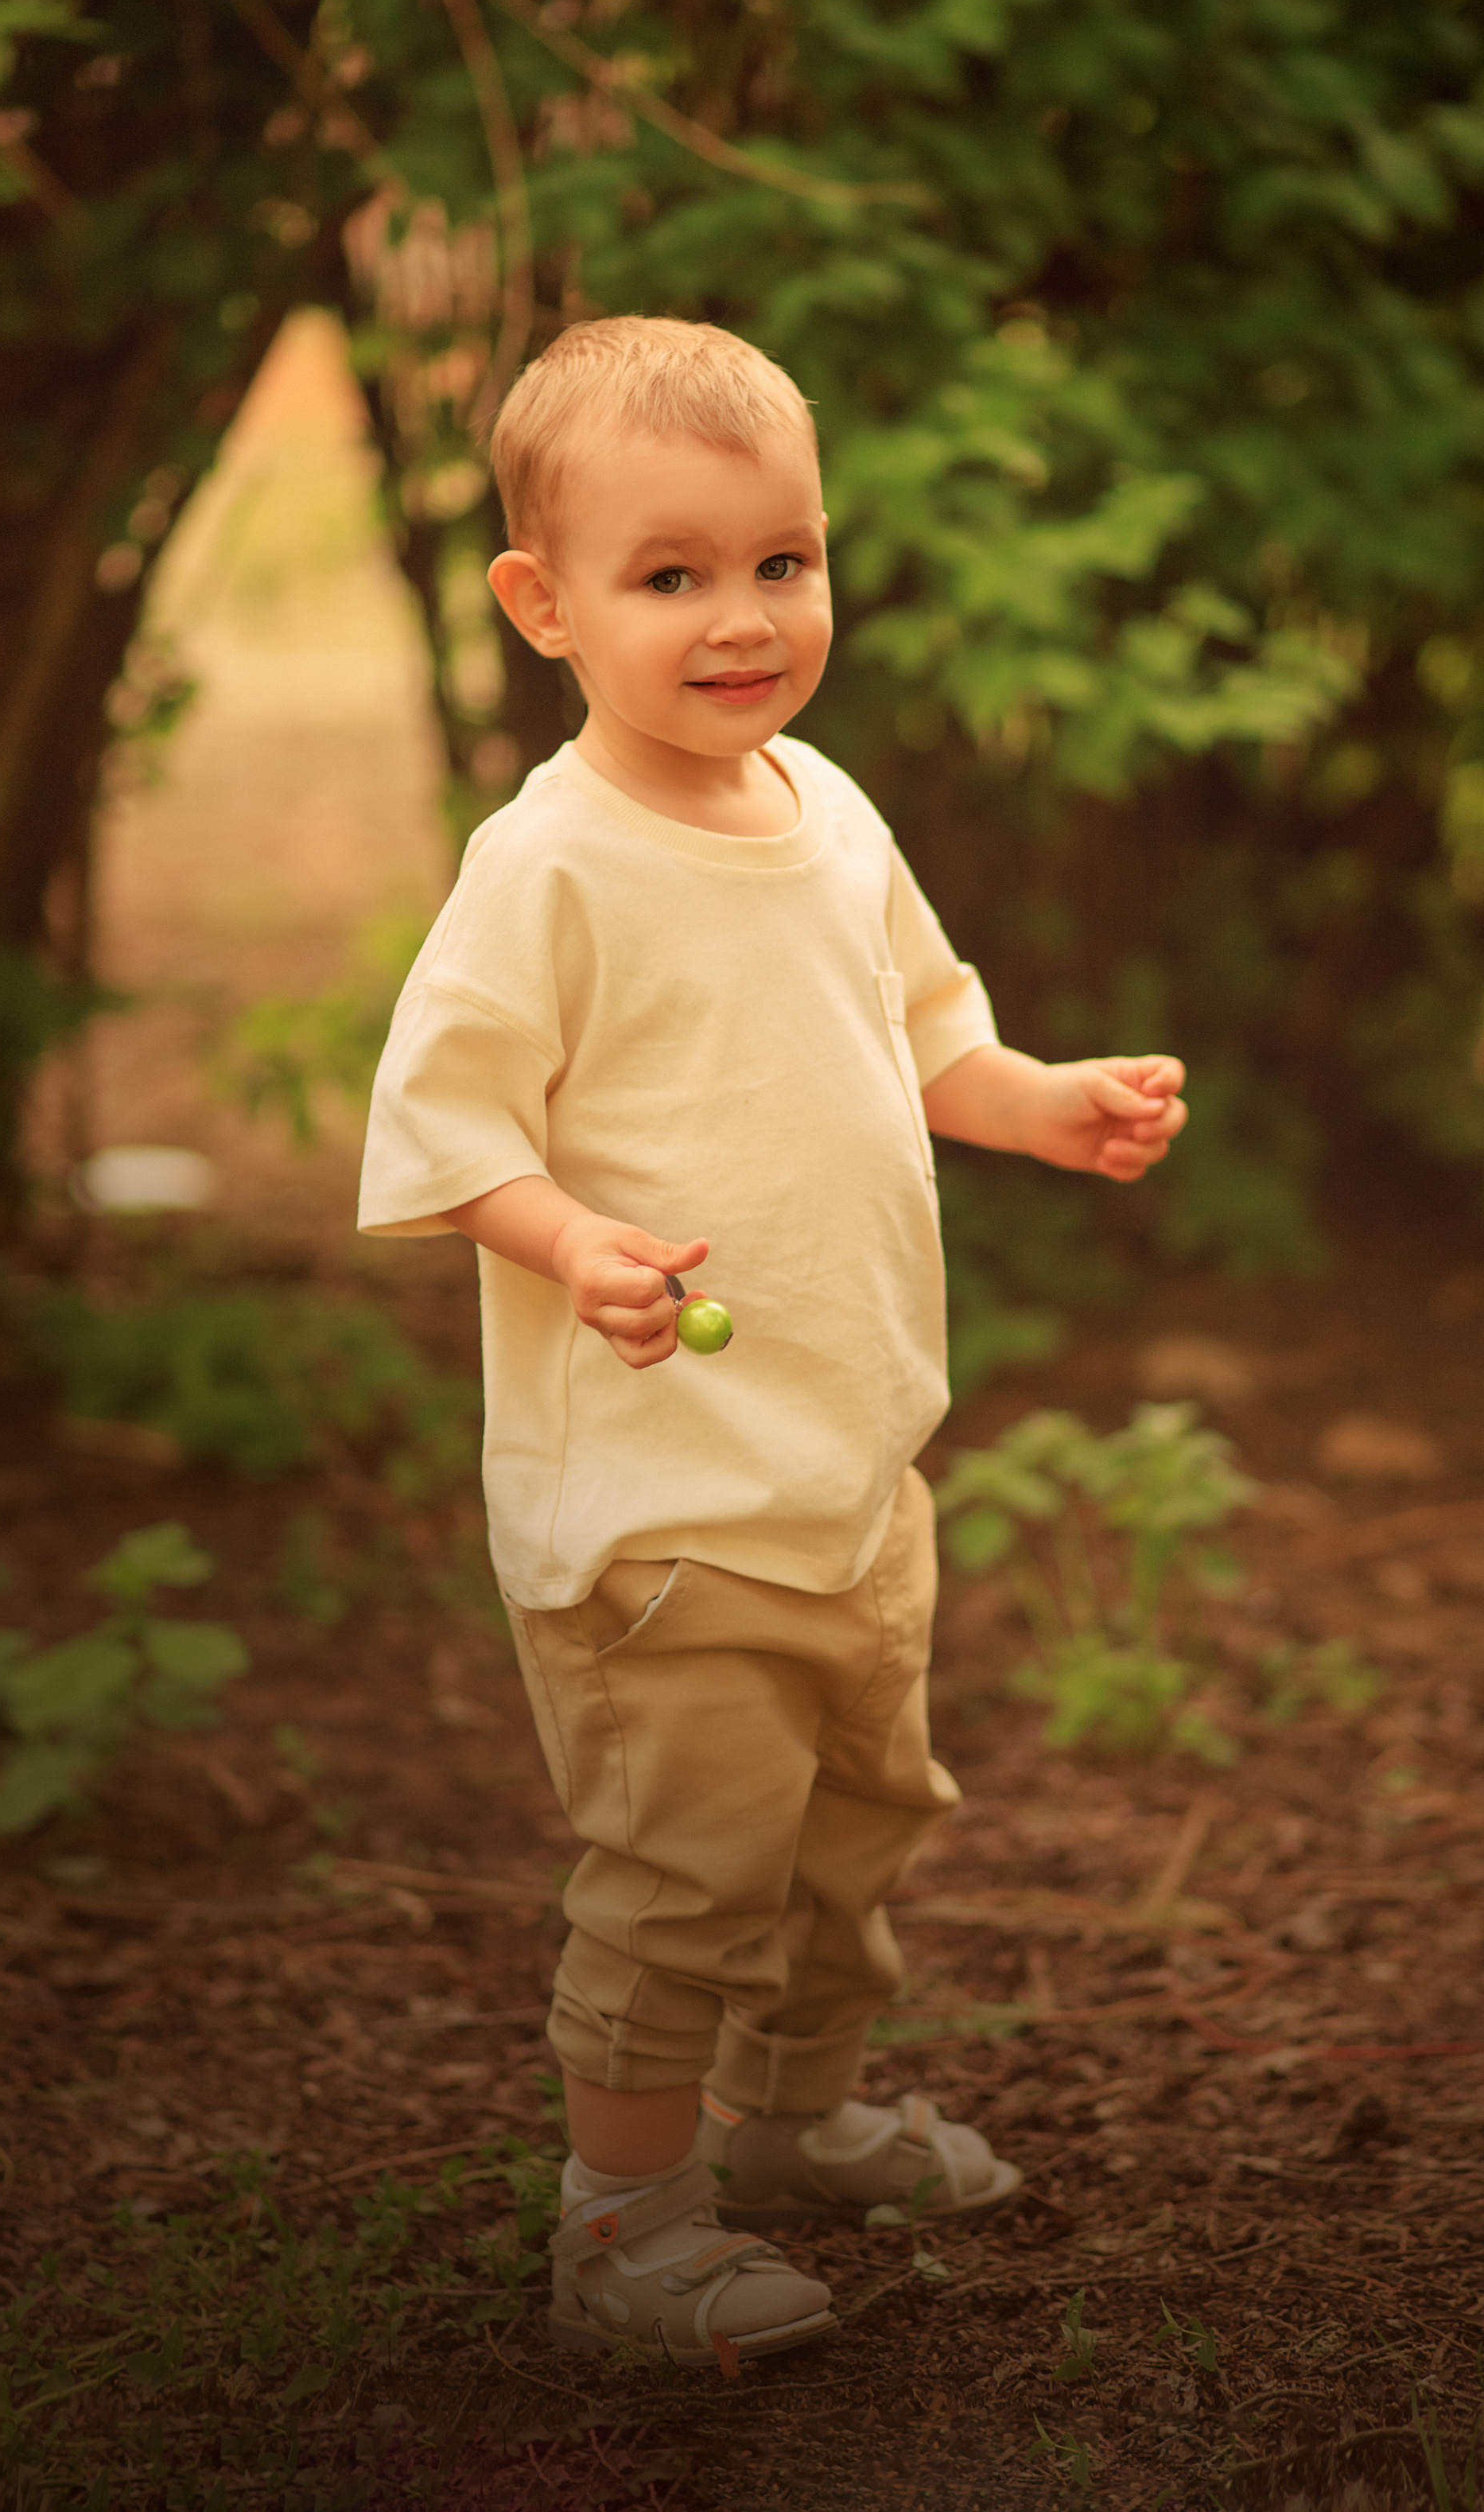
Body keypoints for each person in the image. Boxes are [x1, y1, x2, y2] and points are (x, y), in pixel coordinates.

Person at [359, 317, 1187, 2370]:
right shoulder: (546, 862)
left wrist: (1040, 1095)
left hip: (849, 1465)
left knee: (850, 1839)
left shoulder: (825, 805)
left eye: (781, 561)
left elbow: (924, 1033)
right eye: (672, 576)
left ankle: (796, 2119)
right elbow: (444, 1129)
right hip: (663, 1504)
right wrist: (571, 1240)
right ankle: (626, 2224)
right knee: (685, 1869)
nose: (743, 619)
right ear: (545, 604)